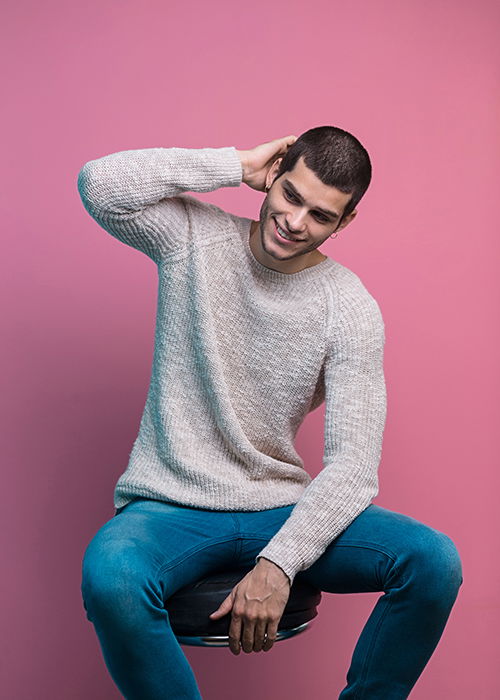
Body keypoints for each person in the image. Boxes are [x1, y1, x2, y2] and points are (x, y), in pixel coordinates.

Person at [77, 126, 463, 699]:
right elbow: (100, 185)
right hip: (171, 505)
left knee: (434, 561)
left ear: (344, 223)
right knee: (111, 577)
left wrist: (281, 563)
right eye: (290, 195)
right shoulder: (193, 238)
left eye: (321, 215)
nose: (295, 221)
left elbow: (354, 466)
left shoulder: (349, 307)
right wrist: (233, 164)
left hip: (280, 507)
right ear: (274, 176)